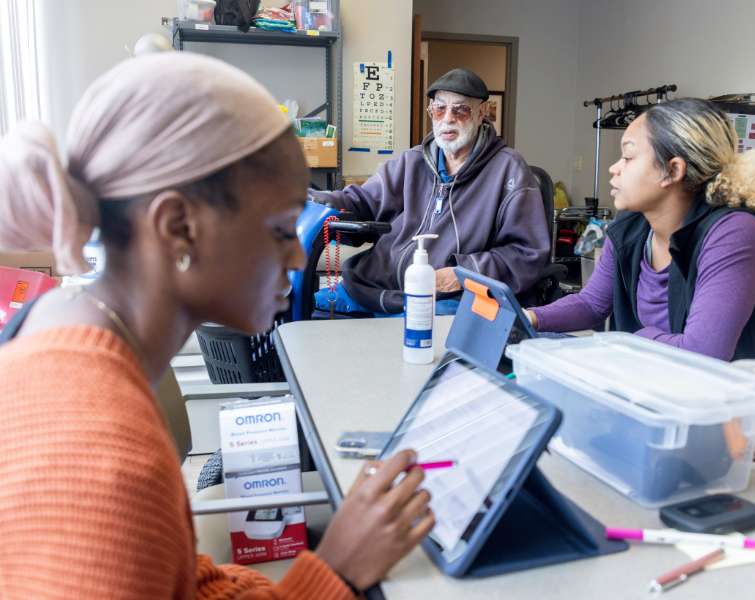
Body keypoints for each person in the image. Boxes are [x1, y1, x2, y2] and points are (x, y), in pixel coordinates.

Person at [0, 53, 433, 599]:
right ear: (179, 226)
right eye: (280, 229)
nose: (297, 260)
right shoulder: (101, 466)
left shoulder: (60, 323)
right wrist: (335, 570)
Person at [527, 98, 755, 361]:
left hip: (723, 396)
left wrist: (623, 341)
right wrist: (530, 316)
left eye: (628, 157)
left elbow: (703, 352)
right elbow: (592, 303)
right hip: (650, 381)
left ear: (672, 170)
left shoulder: (735, 233)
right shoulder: (630, 225)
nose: (614, 168)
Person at [311, 67, 550, 315]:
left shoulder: (508, 170)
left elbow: (527, 254)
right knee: (297, 310)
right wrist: (313, 201)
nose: (448, 118)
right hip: (375, 286)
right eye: (439, 108)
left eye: (460, 109)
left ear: (482, 114)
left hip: (448, 298)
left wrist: (463, 274)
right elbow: (361, 202)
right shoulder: (412, 161)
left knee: (409, 340)